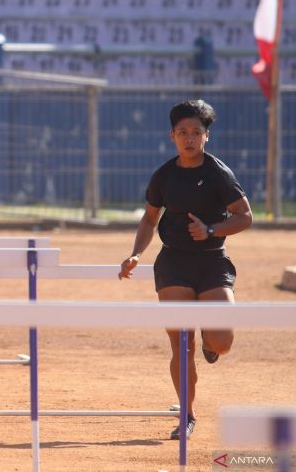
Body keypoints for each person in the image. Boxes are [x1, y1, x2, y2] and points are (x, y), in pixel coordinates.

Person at [118, 99, 252, 440]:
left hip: (211, 261)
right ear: (172, 136)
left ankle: (211, 341)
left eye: (196, 132)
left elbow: (245, 216)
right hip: (174, 262)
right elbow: (150, 219)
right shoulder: (164, 176)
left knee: (222, 341)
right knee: (181, 343)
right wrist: (135, 254)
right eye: (183, 133)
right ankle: (187, 416)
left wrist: (211, 230)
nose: (189, 138)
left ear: (206, 136)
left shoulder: (219, 174)